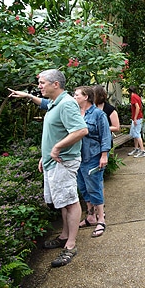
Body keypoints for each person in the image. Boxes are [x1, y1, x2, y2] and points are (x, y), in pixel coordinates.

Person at [36, 69, 88, 267]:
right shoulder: (54, 104)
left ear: (55, 84)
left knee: (70, 201)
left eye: (42, 82)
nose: (40, 86)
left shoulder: (66, 104)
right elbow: (54, 133)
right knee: (62, 202)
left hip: (64, 162)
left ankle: (71, 245)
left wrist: (57, 148)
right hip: (53, 162)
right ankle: (64, 235)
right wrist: (45, 155)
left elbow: (81, 130)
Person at [73, 86, 110, 238]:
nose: (74, 97)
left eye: (76, 95)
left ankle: (101, 219)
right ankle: (90, 216)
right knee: (83, 187)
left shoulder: (98, 114)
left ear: (86, 97)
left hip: (93, 156)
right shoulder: (75, 113)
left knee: (94, 187)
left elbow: (105, 135)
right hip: (78, 157)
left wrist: (104, 155)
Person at [127, 85, 145, 158]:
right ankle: (136, 148)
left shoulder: (133, 97)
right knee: (134, 133)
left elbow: (138, 107)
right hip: (137, 118)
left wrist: (135, 118)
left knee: (137, 134)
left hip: (137, 118)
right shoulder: (137, 96)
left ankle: (142, 150)